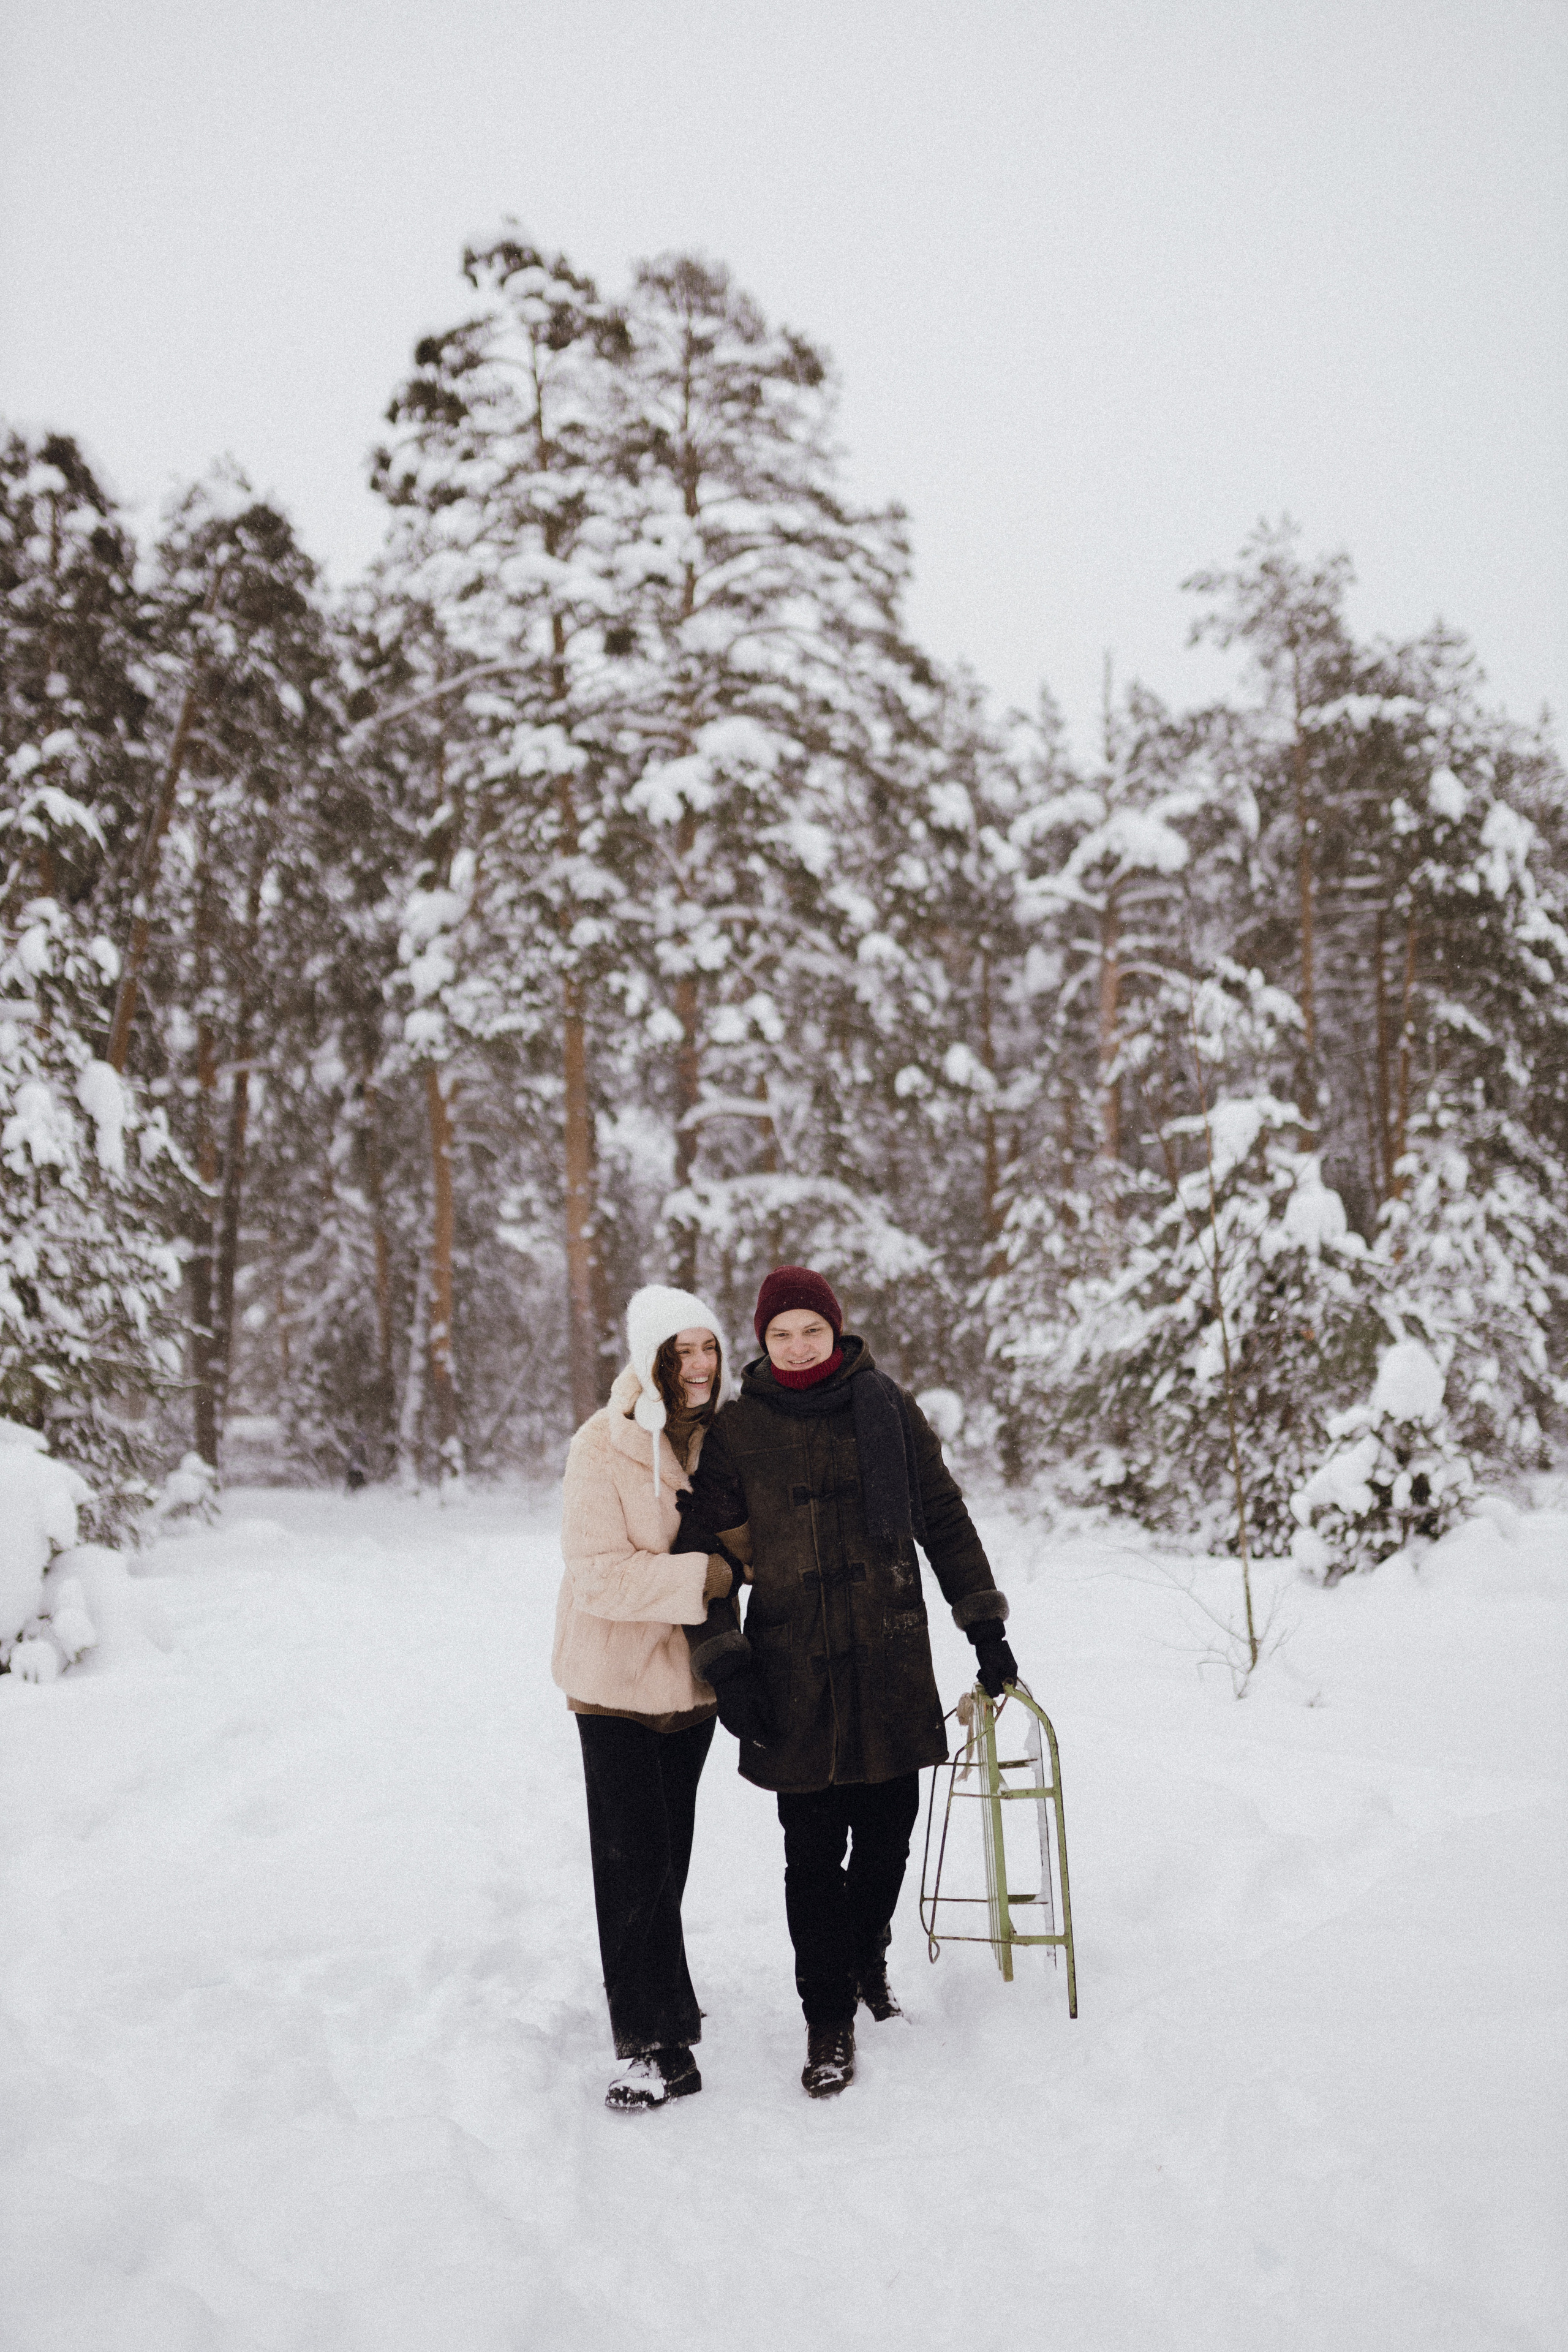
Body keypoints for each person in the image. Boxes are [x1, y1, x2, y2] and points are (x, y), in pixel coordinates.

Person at [678, 1265, 1017, 2098]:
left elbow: (941, 1514)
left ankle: (869, 1953)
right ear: (763, 1341)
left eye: (812, 1331)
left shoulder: (885, 1406)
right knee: (810, 1855)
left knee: (889, 1838)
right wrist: (725, 1664)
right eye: (782, 1333)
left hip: (890, 1657)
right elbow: (705, 1557)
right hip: (792, 1669)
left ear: (837, 1332)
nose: (797, 1347)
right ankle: (826, 2020)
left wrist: (986, 1626)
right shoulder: (738, 1431)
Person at [551, 1284, 742, 2113]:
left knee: (668, 1862)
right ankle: (650, 2045)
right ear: (650, 1359)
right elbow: (596, 1574)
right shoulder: (601, 1447)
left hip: (693, 1687)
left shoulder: (726, 1443)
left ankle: (663, 2004)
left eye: (709, 1349)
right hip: (614, 1685)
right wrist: (707, 1575)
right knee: (629, 1867)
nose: (698, 1366)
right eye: (681, 1352)